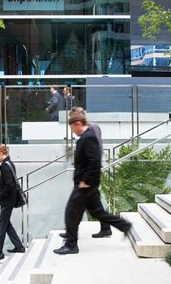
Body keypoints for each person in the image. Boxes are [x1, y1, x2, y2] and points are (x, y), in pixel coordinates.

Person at [53, 113, 131, 255]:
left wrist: (86, 181)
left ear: (78, 123)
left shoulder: (88, 137)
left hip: (86, 184)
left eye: (72, 127)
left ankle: (71, 245)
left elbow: (95, 161)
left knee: (71, 212)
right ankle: (124, 225)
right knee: (97, 211)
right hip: (89, 183)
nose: (72, 131)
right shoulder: (86, 136)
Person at [59, 107, 112, 239]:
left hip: (90, 173)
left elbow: (95, 150)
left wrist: (89, 175)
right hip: (89, 173)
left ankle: (71, 235)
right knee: (94, 202)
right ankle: (105, 228)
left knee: (76, 207)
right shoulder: (90, 129)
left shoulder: (91, 130)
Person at [0, 145, 26, 264]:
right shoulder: (9, 163)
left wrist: (1, 196)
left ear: (0, 154)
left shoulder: (5, 166)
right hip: (10, 200)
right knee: (7, 224)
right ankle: (19, 246)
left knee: (1, 226)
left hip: (7, 201)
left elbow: (9, 184)